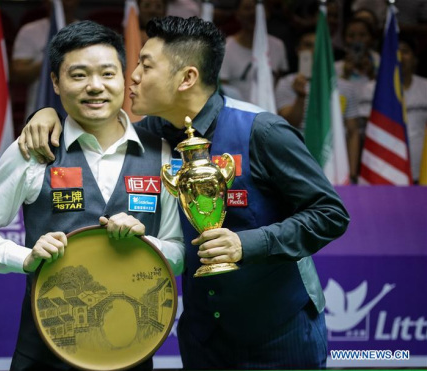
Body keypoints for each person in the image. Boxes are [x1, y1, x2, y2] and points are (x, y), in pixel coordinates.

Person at [18, 16, 350, 370]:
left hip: (279, 330)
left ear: (187, 78)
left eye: (146, 65)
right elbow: (89, 124)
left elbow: (330, 214)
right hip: (202, 333)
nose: (133, 76)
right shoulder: (151, 138)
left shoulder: (261, 131)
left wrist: (248, 244)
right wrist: (47, 114)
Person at [0, 20, 184, 370]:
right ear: (56, 83)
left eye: (107, 74)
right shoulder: (35, 149)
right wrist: (25, 257)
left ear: (124, 80)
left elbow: (180, 250)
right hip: (45, 350)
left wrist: (147, 244)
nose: (95, 87)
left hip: (130, 349)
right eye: (78, 75)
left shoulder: (163, 153)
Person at [275, 30, 362, 182]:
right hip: (296, 161)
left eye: (318, 46)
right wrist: (301, 96)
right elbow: (290, 121)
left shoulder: (344, 87)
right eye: (308, 45)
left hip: (334, 163)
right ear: (298, 50)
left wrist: (353, 173)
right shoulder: (286, 83)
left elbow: (353, 131)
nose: (313, 50)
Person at [357, 37, 427, 183]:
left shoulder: (425, 87)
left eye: (405, 51)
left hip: (421, 172)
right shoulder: (370, 89)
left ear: (415, 59)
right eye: (394, 52)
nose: (399, 56)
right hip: (381, 170)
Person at [11, 0, 80, 119]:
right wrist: (51, 62)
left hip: (78, 112)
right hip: (39, 109)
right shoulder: (30, 31)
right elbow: (17, 73)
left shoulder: (88, 32)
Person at [219, 0, 288, 102]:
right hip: (237, 112)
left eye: (258, 8)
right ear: (237, 14)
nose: (253, 13)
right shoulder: (225, 47)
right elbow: (222, 88)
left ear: (267, 13)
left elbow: (280, 83)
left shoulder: (278, 45)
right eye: (247, 8)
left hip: (269, 112)